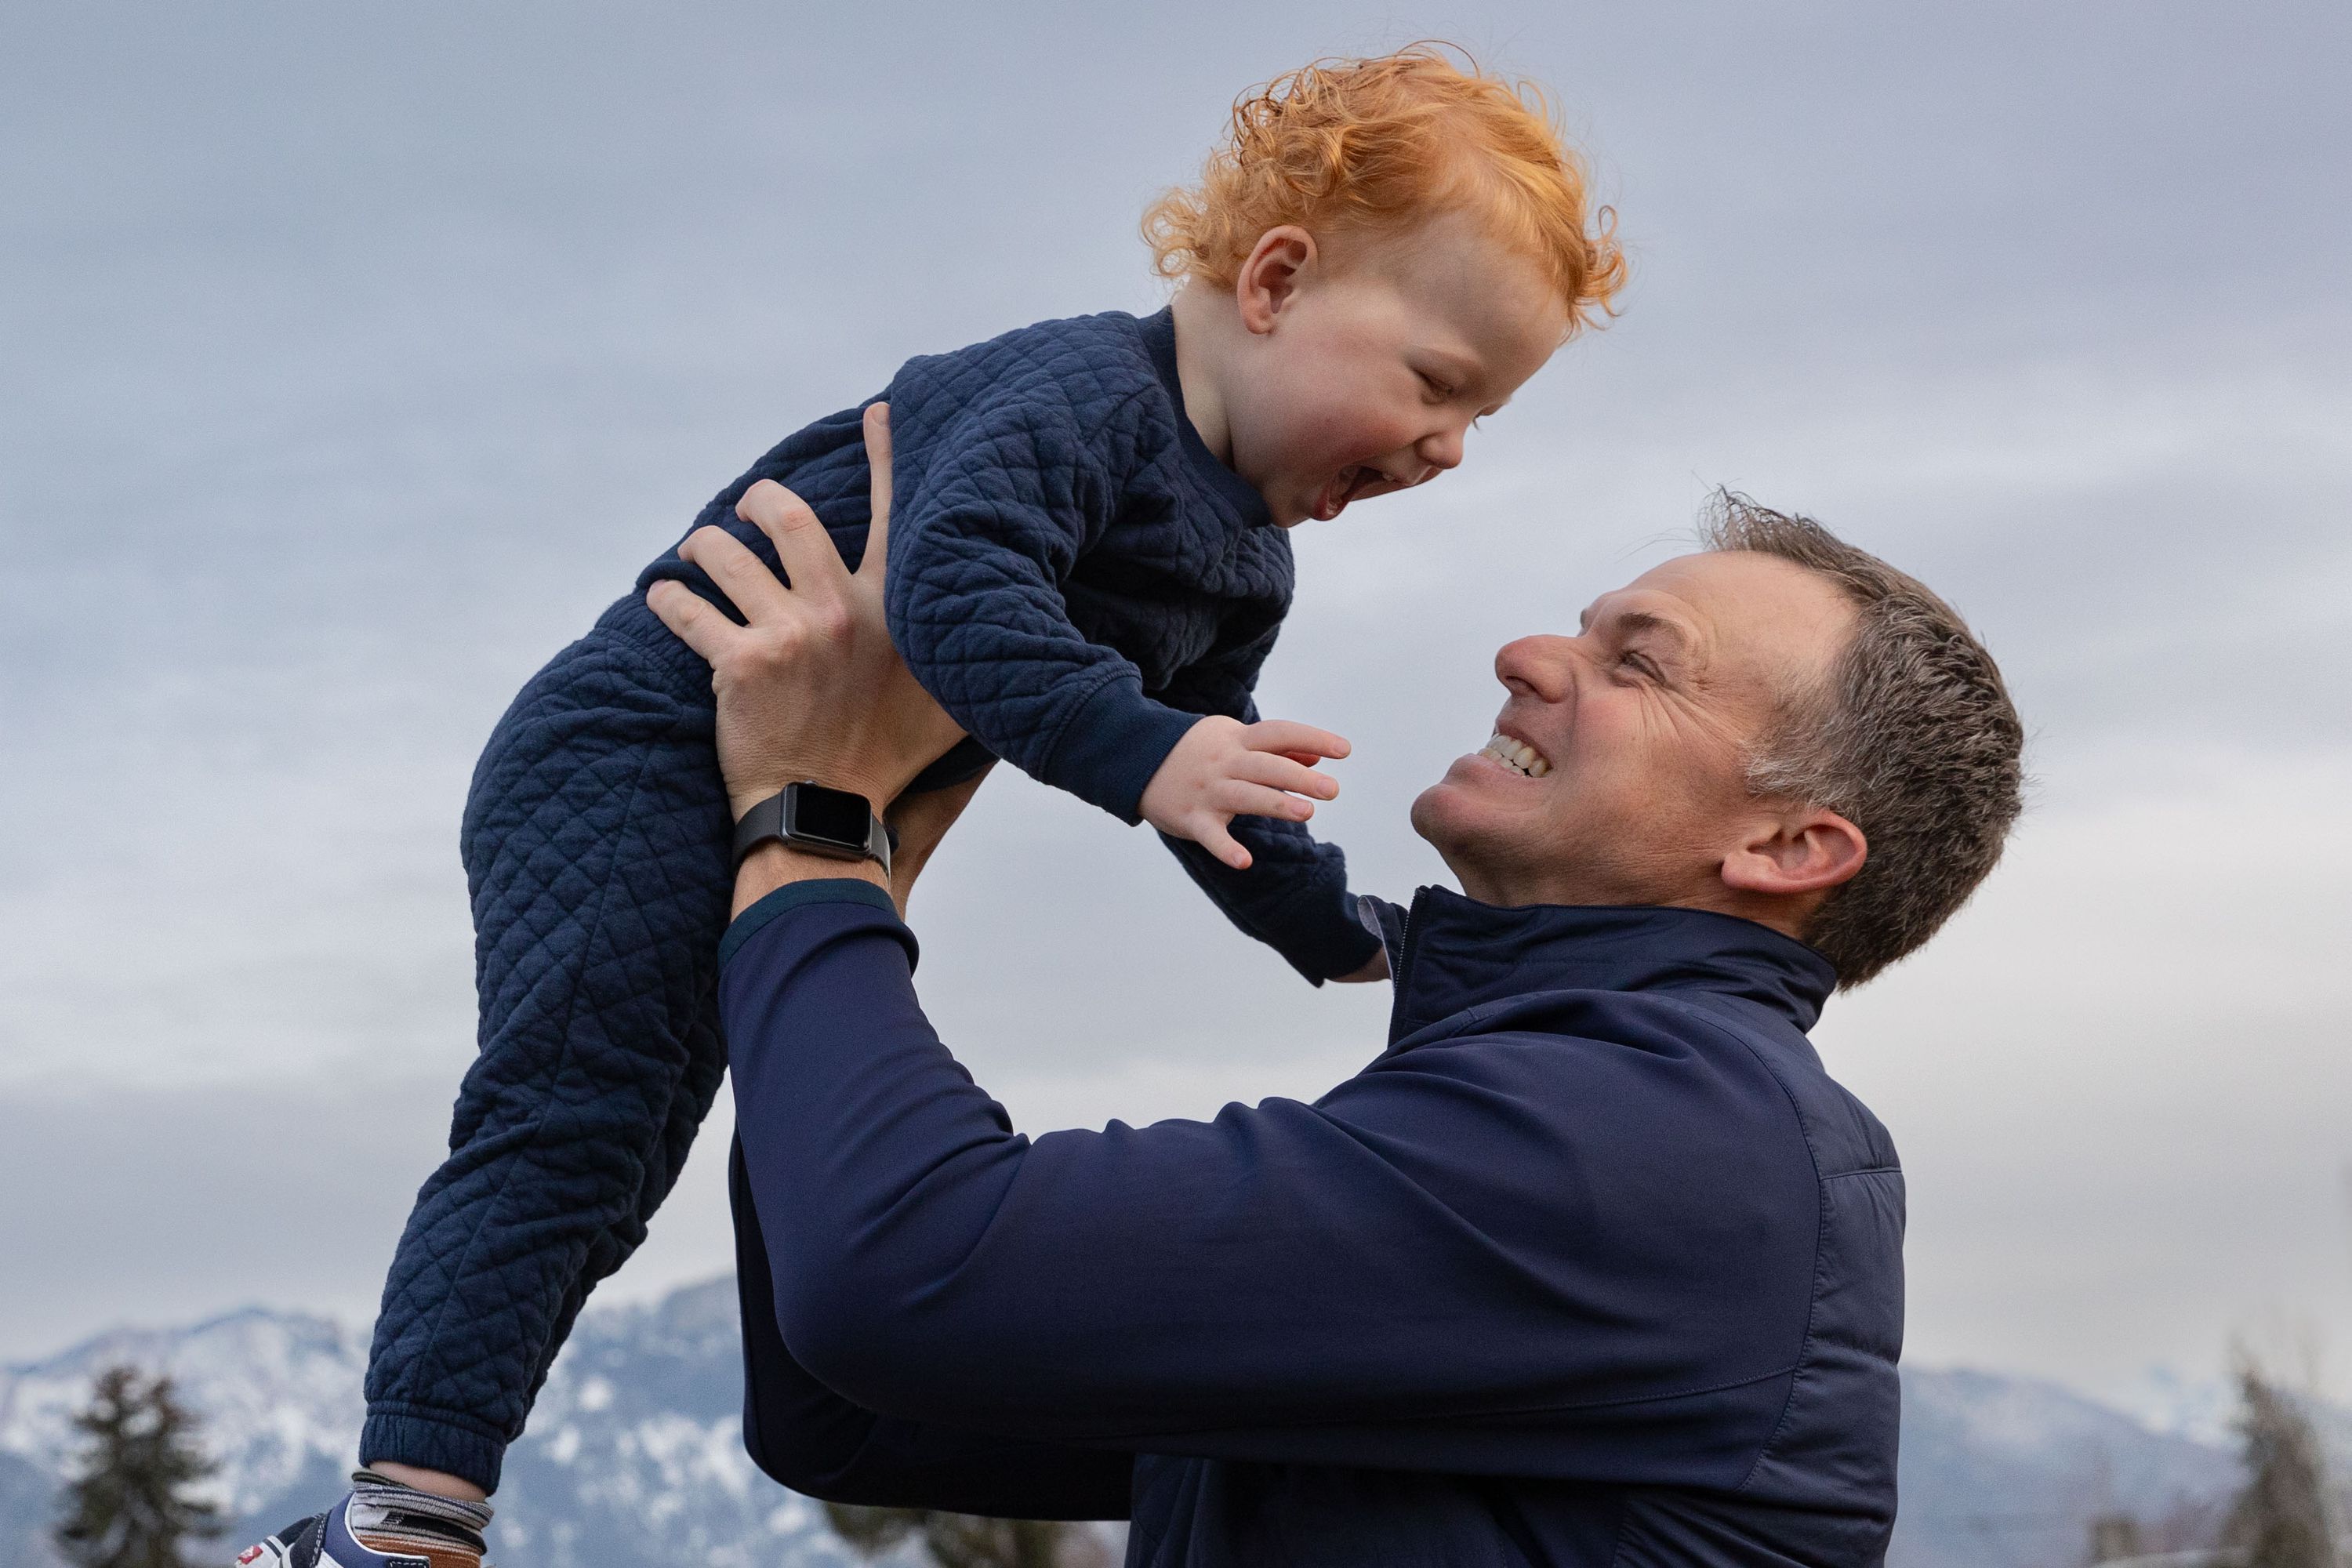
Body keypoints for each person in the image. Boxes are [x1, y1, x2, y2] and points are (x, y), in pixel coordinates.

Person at [236, 45, 1625, 1568]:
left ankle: (410, 1509)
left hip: (790, 793)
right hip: (636, 747)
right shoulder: (1081, 396)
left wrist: (1346, 933)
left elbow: (1213, 771)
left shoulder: (1247, 562)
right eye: (1437, 383)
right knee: (571, 1130)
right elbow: (950, 593)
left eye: (1483, 417)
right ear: (1279, 283)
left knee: (626, 1163)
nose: (1448, 447)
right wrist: (1142, 749)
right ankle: (392, 1523)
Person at [670, 413, 2018, 1565]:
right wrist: (868, 837)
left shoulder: (1670, 1148)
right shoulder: (1580, 1122)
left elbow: (903, 1272)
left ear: (1788, 848)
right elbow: (848, 1404)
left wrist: (816, 823)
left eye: (1639, 663)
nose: (1530, 655)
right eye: (1586, 628)